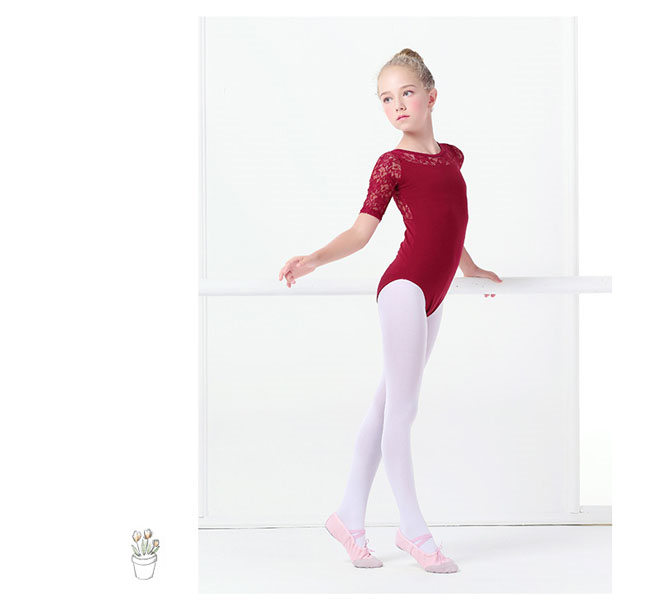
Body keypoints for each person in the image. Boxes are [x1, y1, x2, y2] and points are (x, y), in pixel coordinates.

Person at [278, 48, 502, 573]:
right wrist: (313, 259)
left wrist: (470, 269)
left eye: (406, 93)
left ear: (431, 96)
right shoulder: (392, 163)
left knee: (385, 408)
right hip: (404, 288)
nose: (397, 105)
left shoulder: (453, 158)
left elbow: (449, 224)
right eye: (385, 98)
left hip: (435, 294)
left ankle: (347, 517)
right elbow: (362, 232)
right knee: (403, 411)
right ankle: (413, 530)